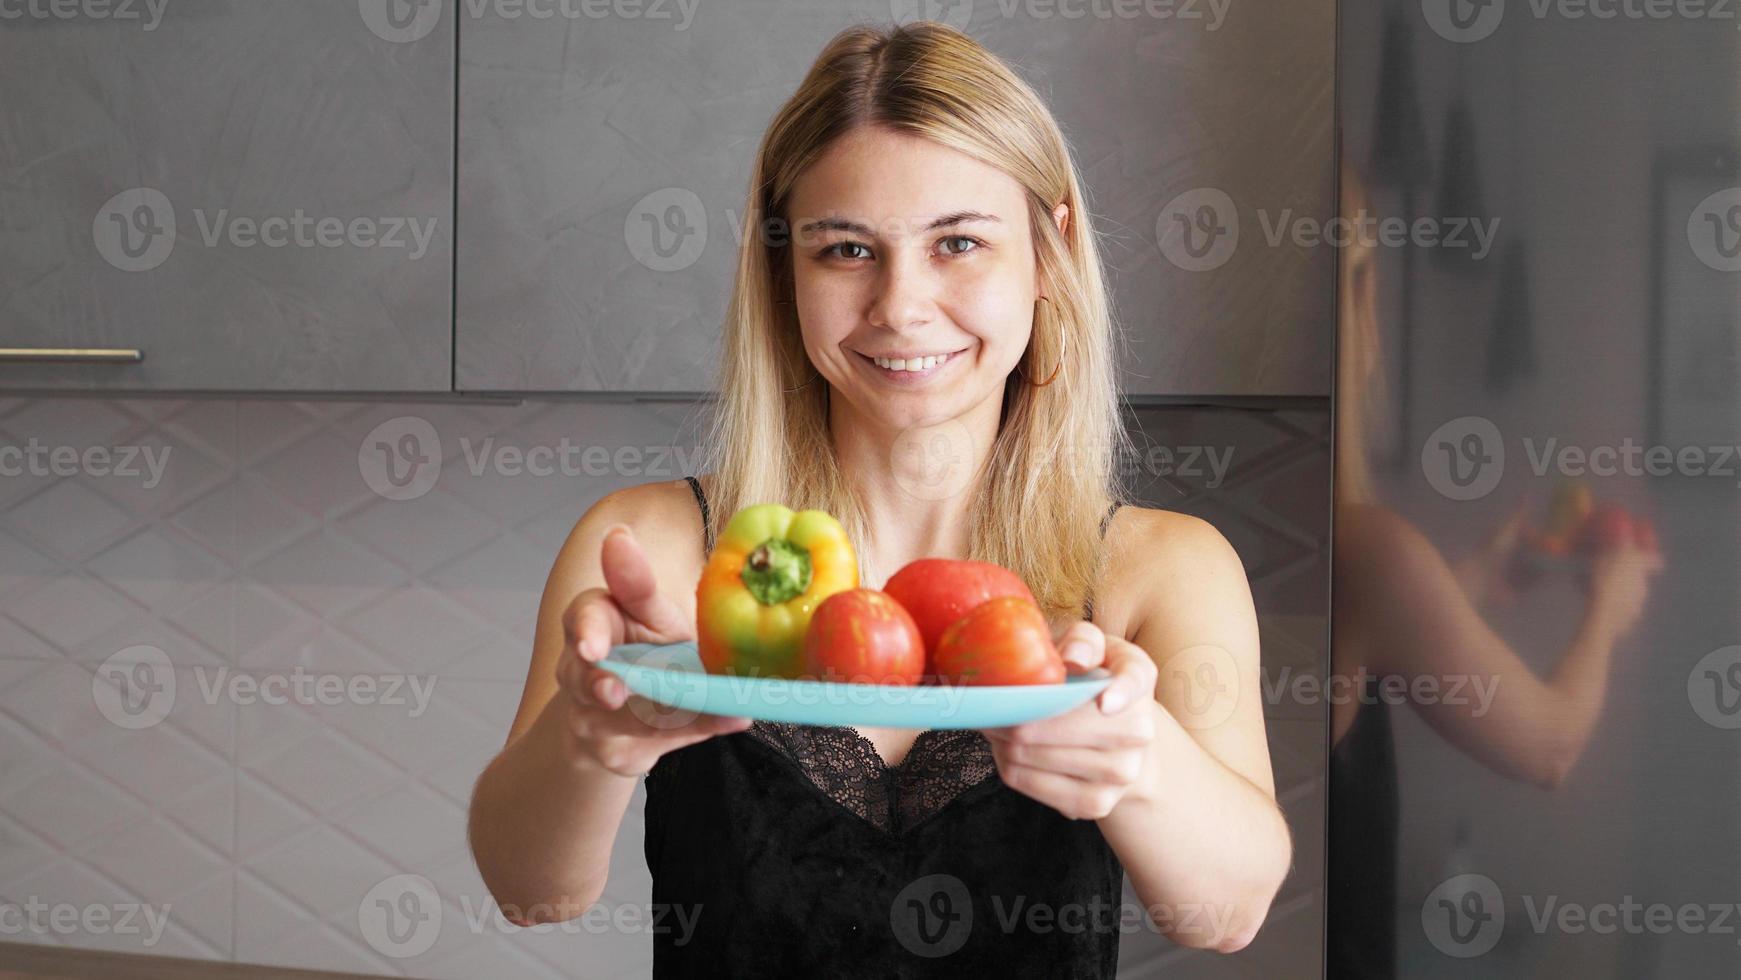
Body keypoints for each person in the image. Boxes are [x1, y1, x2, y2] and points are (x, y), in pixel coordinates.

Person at [468, 22, 1292, 977]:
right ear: (784, 272)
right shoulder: (654, 548)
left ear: (1049, 252)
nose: (900, 305)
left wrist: (1136, 761)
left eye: (958, 243)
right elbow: (528, 890)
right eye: (846, 251)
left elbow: (1224, 914)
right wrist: (591, 739)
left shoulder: (1160, 569)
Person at [1327, 164, 1665, 978]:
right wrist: (1608, 611)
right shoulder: (1370, 550)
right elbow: (1549, 747)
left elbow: (1359, 647)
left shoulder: (1341, 547)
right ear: (1357, 301)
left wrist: (1467, 580)